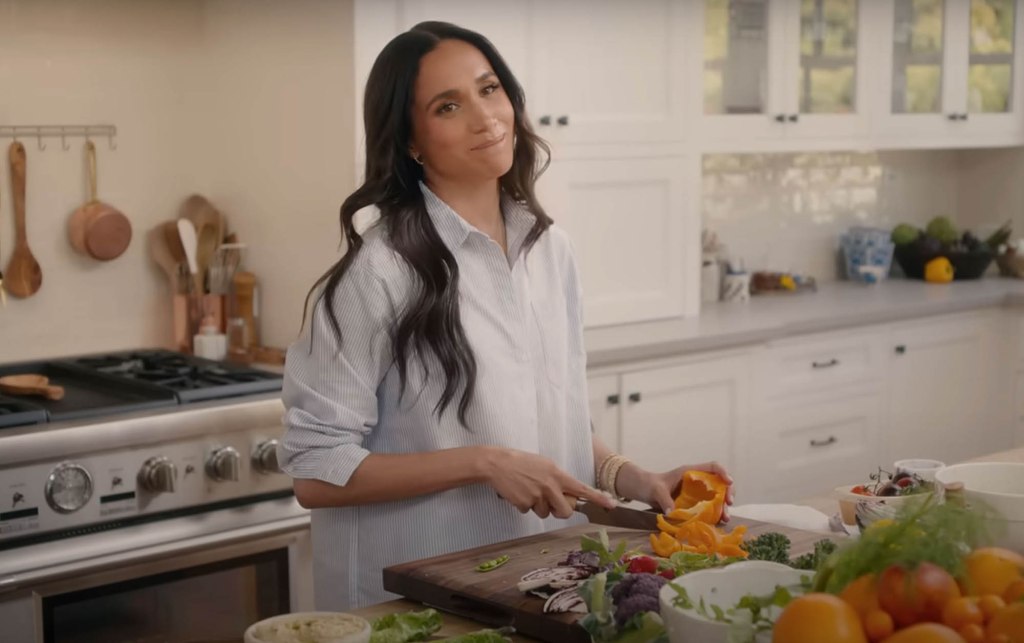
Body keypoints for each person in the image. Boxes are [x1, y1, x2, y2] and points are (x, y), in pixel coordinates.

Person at [279, 20, 734, 610]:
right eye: (448, 106)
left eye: (489, 89)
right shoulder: (379, 272)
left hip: (535, 583)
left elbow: (547, 414)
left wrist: (631, 478)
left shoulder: (549, 249)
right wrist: (483, 463)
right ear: (411, 141)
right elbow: (317, 473)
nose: (485, 117)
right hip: (411, 606)